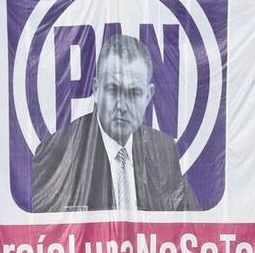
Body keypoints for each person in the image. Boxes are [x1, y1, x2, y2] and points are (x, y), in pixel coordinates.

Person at [31, 34, 200, 213]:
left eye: (134, 93)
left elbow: (191, 223)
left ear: (148, 96)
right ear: (96, 90)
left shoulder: (163, 150)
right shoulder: (58, 153)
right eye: (113, 90)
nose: (122, 106)